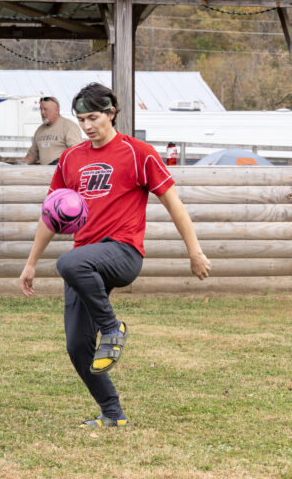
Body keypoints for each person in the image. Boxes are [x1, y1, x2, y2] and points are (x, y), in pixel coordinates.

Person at [18, 83, 210, 428]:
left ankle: (112, 329)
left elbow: (174, 204)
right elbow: (51, 215)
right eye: (81, 119)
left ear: (111, 113)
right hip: (84, 263)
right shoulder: (71, 159)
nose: (88, 126)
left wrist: (194, 252)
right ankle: (112, 413)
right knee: (77, 347)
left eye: (93, 117)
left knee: (68, 262)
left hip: (123, 252)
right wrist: (31, 263)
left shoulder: (139, 153)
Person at [22, 96, 84, 165]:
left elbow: (76, 153)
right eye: (41, 109)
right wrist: (20, 164)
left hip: (62, 173)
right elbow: (33, 155)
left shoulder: (69, 127)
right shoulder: (39, 130)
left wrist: (58, 163)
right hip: (44, 174)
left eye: (45, 109)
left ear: (57, 110)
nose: (42, 113)